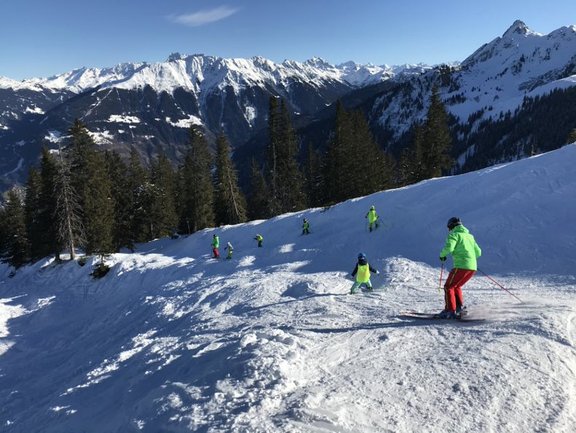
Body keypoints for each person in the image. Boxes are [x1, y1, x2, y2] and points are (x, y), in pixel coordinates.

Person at [437, 217, 482, 319]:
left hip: (461, 266)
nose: (449, 230)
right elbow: (478, 252)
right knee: (456, 286)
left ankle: (450, 311)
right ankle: (459, 308)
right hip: (472, 267)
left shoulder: (454, 235)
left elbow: (449, 247)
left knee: (448, 287)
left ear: (452, 226)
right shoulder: (470, 236)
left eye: (449, 228)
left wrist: (442, 255)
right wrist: (469, 259)